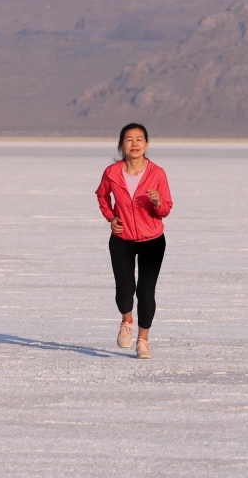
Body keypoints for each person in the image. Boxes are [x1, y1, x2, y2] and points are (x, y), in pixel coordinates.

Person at [95, 123, 173, 359]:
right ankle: (127, 320)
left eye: (139, 139)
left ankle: (143, 340)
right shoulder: (112, 172)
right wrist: (110, 217)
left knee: (146, 292)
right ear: (121, 145)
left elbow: (166, 209)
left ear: (146, 144)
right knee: (125, 290)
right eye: (129, 139)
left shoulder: (157, 173)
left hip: (152, 240)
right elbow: (101, 195)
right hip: (122, 239)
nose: (135, 143)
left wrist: (158, 202)